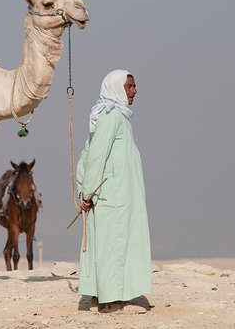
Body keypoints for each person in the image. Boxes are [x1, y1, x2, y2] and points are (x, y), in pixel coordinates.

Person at [76, 69, 151, 312]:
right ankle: (108, 300)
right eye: (129, 86)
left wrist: (85, 190)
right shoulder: (110, 117)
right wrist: (86, 192)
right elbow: (94, 155)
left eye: (134, 86)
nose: (134, 91)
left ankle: (105, 294)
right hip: (112, 198)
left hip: (118, 198)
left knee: (114, 245)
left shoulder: (118, 117)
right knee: (112, 247)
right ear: (117, 88)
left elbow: (88, 152)